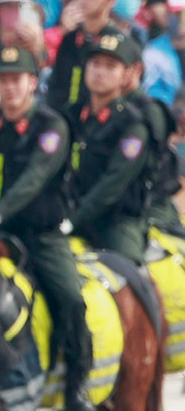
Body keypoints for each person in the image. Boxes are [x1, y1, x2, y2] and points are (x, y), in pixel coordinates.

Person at [0, 46, 89, 411]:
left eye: (16, 79)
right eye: (3, 79)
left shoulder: (51, 127)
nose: (9, 87)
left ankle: (77, 380)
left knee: (70, 298)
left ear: (32, 82)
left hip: (39, 234)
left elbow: (35, 178)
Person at [67, 31, 151, 263]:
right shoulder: (70, 116)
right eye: (95, 63)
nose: (100, 72)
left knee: (130, 274)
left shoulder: (133, 124)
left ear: (125, 76)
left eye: (110, 66)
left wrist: (74, 220)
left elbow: (113, 184)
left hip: (115, 221)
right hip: (69, 214)